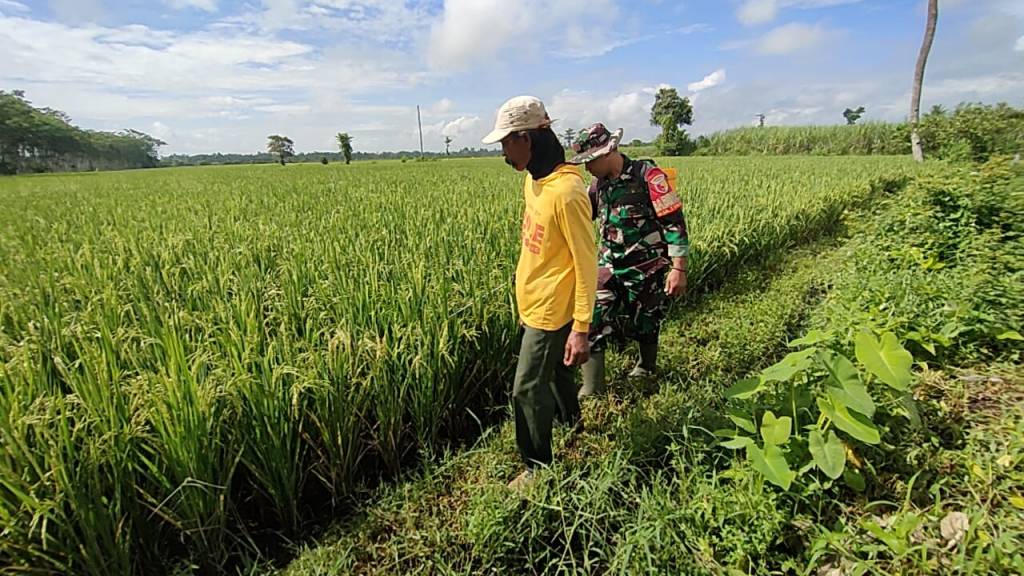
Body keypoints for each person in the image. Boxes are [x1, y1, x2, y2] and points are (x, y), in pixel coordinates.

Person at [481, 96, 598, 489]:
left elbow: (585, 263)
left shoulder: (567, 192)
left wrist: (581, 327)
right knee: (558, 373)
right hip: (533, 301)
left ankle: (536, 467)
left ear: (526, 139)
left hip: (553, 308)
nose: (503, 154)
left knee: (527, 387)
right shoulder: (535, 182)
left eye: (505, 144)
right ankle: (572, 425)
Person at [568, 123, 689, 397]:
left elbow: (674, 223)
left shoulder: (649, 177)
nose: (587, 168)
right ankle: (592, 388)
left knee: (646, 321)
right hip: (608, 265)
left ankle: (646, 367)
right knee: (593, 317)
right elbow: (580, 218)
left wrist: (678, 268)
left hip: (647, 267)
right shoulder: (597, 185)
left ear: (609, 152)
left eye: (591, 161)